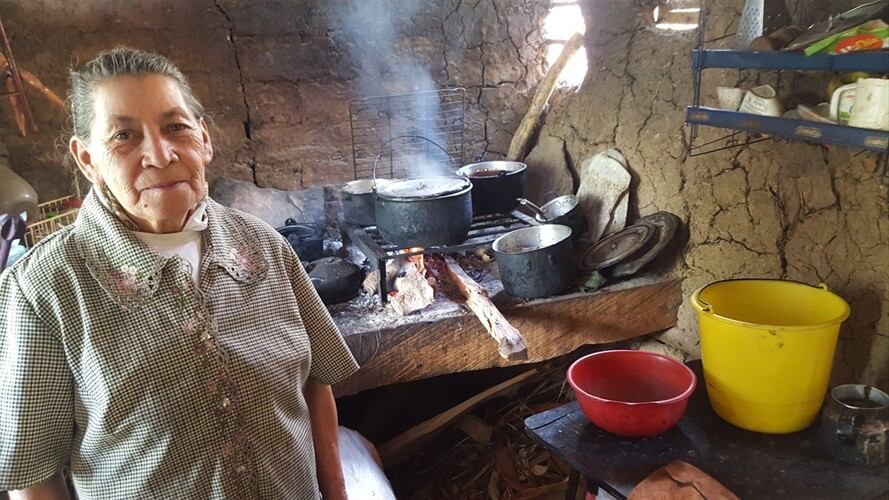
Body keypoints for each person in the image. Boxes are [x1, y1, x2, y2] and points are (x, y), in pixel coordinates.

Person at [0, 47, 359, 499]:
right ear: (87, 160)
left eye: (175, 127)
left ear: (203, 140)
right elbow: (34, 475)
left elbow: (316, 383)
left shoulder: (263, 247)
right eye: (124, 136)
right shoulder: (43, 289)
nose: (160, 153)